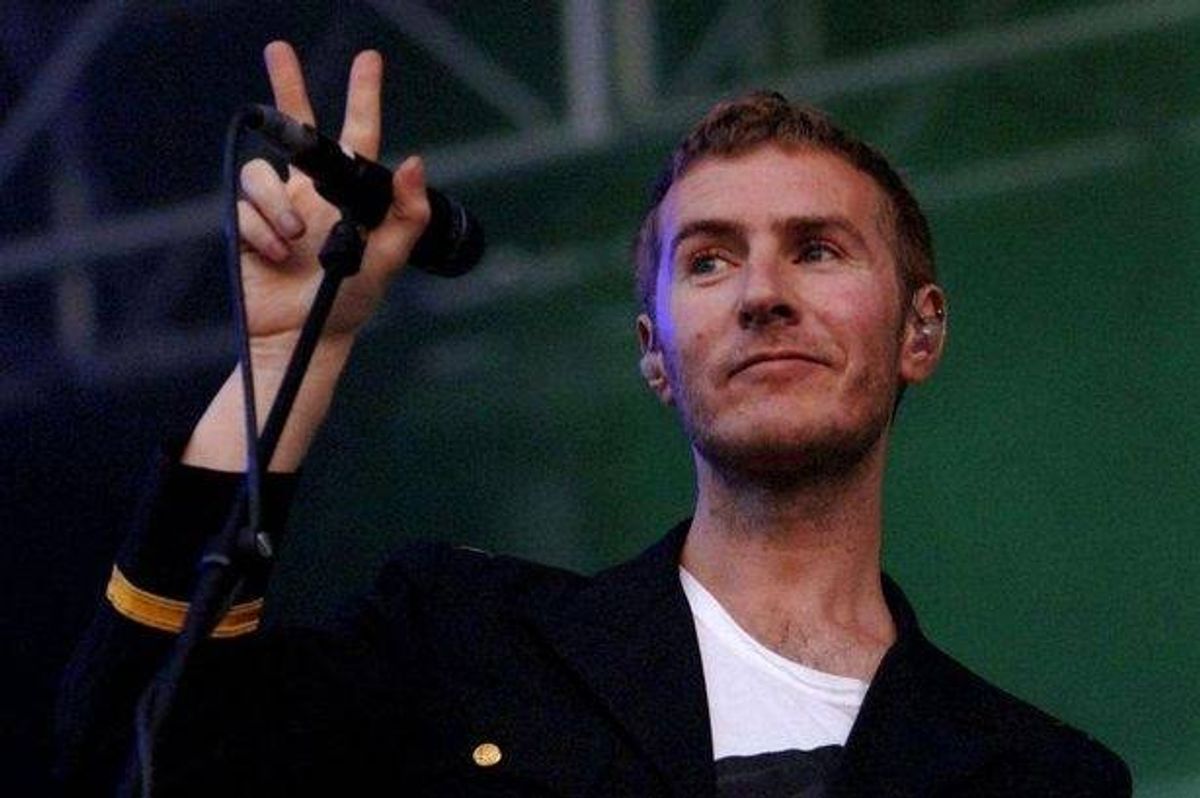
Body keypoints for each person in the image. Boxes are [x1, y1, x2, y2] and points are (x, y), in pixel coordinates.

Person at [55, 41, 1131, 796]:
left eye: (816, 249)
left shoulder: (1037, 774)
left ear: (921, 332)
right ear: (655, 354)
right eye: (708, 260)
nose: (762, 291)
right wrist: (294, 352)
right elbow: (133, 757)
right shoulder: (465, 645)